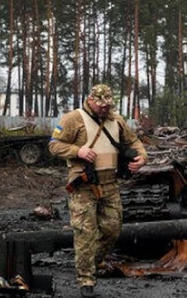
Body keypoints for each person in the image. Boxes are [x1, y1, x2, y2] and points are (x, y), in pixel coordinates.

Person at [48, 84, 147, 298]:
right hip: (83, 184)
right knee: (85, 232)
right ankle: (86, 280)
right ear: (90, 100)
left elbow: (134, 141)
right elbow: (54, 145)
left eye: (107, 105)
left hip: (110, 183)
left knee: (113, 228)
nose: (104, 109)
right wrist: (78, 150)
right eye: (100, 105)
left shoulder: (117, 120)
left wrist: (142, 158)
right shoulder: (73, 119)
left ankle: (89, 262)